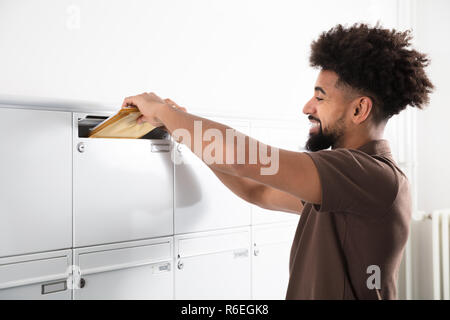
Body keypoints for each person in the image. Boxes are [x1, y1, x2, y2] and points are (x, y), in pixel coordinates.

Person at [122, 23, 433, 299]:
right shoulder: (342, 181)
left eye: (320, 97)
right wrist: (181, 128)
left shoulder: (369, 175)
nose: (307, 107)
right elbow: (254, 189)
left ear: (358, 110)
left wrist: (165, 112)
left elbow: (242, 159)